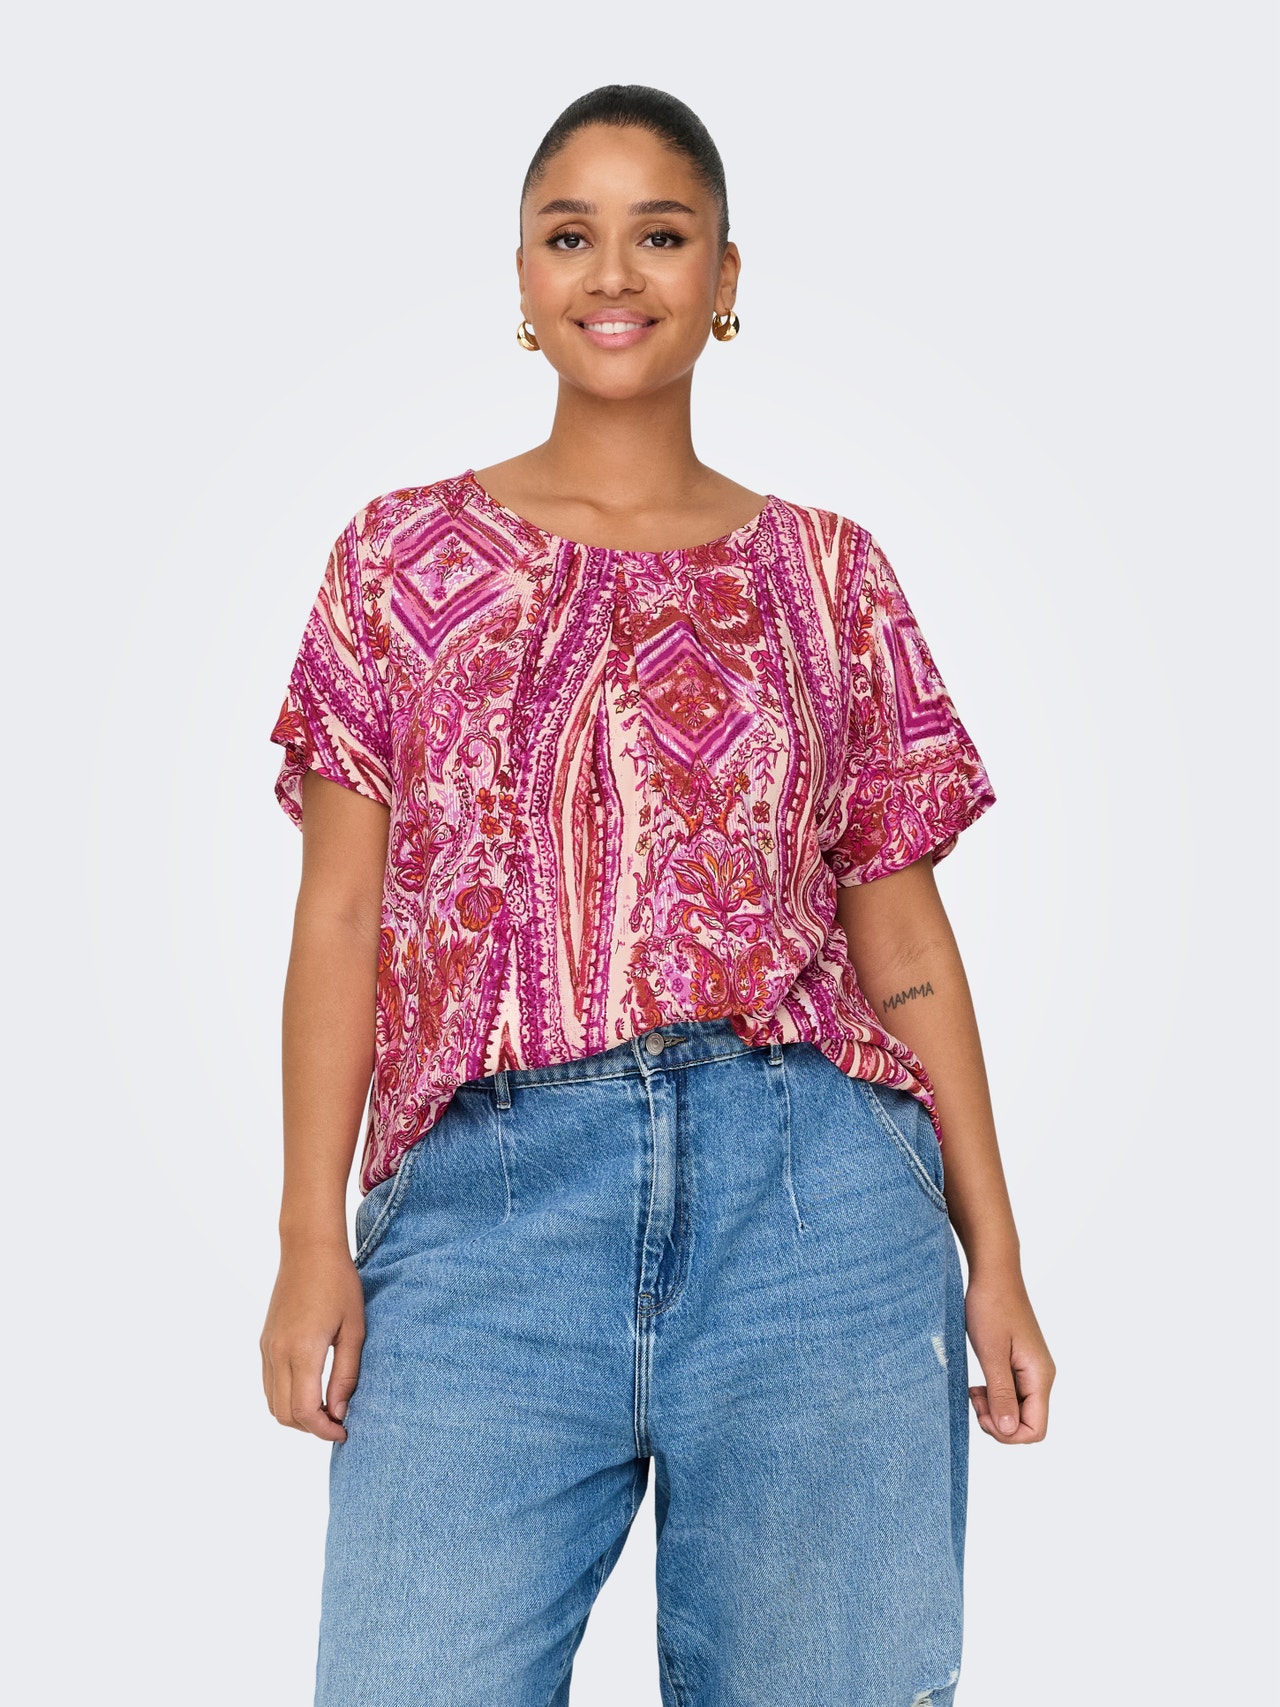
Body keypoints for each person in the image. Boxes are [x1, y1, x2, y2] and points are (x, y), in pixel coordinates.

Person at [259, 83, 1055, 1707]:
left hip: (814, 1210)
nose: (614, 273)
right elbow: (340, 915)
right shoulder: (397, 563)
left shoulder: (832, 577)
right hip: (483, 1218)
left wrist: (999, 1254)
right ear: (524, 275)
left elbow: (902, 933)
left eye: (662, 235)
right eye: (572, 235)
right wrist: (304, 1235)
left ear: (725, 275)